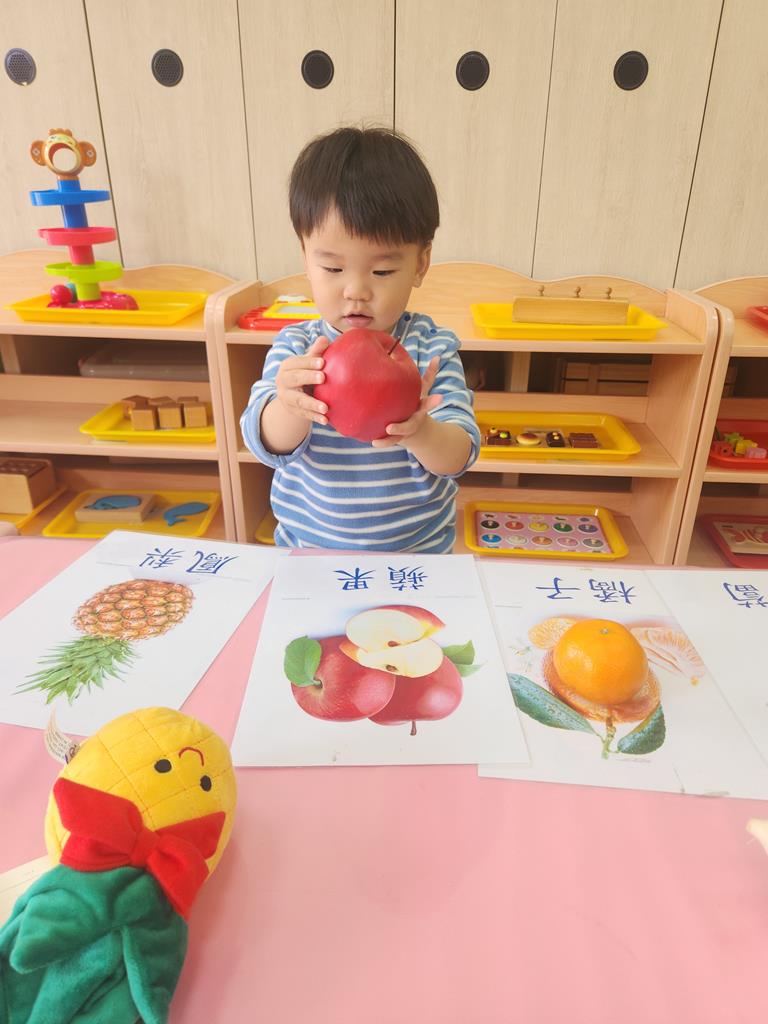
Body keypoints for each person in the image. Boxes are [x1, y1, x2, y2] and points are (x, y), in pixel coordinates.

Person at [240, 126, 480, 552]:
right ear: (305, 259)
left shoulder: (431, 349)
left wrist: (420, 431)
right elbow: (265, 443)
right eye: (333, 269)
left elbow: (459, 456)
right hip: (310, 552)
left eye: (382, 271)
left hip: (417, 555)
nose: (356, 290)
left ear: (421, 264)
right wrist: (291, 405)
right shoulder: (298, 349)